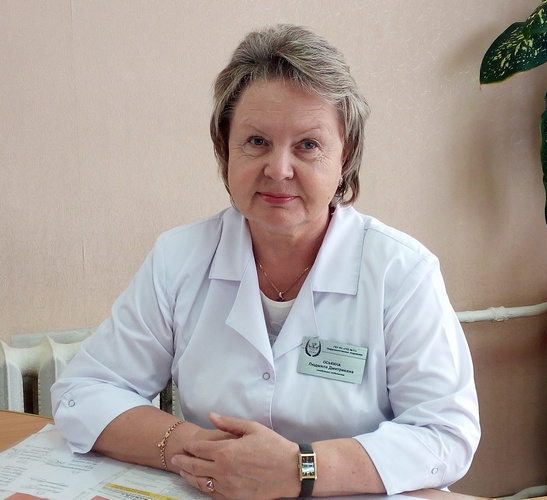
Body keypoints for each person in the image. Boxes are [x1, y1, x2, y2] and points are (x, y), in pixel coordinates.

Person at [51, 23, 480, 499]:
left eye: (308, 145)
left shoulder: (402, 272)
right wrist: (197, 449)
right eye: (256, 141)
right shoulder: (179, 258)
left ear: (345, 156)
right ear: (225, 149)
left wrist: (302, 469)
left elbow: (447, 435)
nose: (278, 170)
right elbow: (82, 393)